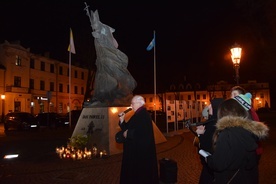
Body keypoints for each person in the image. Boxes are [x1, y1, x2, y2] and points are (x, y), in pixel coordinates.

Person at [204, 93, 269, 184]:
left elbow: (218, 164)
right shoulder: (249, 131)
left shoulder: (226, 134)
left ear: (224, 113)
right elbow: (251, 161)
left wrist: (208, 159)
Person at [84, 5, 137, 107]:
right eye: (93, 26)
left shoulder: (103, 32)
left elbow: (114, 45)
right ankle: (100, 98)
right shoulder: (96, 35)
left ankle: (113, 96)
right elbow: (98, 50)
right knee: (101, 79)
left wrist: (100, 37)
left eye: (95, 26)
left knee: (110, 77)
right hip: (101, 63)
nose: (94, 27)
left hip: (108, 60)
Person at [118, 95, 159, 184]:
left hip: (141, 155)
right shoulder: (137, 114)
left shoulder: (143, 115)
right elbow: (128, 128)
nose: (131, 106)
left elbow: (143, 134)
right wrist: (122, 121)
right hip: (135, 152)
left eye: (132, 103)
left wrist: (128, 133)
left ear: (140, 103)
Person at [196, 98, 224, 184]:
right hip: (212, 165)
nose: (208, 107)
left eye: (211, 105)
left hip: (212, 165)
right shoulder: (217, 121)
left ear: (216, 108)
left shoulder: (213, 124)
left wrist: (200, 134)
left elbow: (206, 145)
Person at [230, 86, 263, 158]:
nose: (232, 97)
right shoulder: (235, 112)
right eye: (231, 95)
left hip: (251, 152)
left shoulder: (249, 111)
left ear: (242, 97)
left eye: (235, 95)